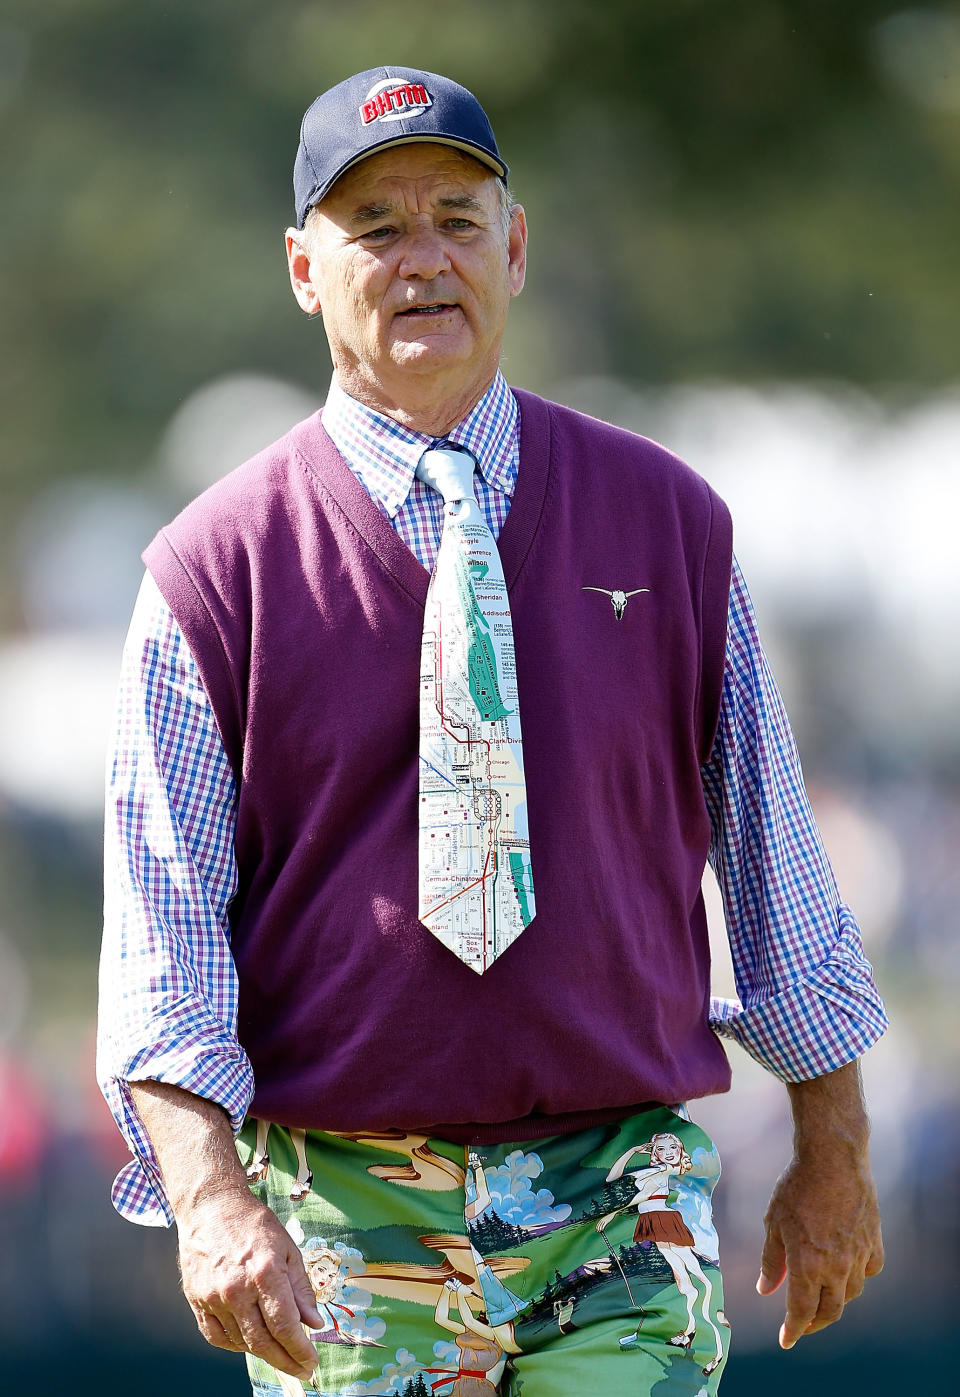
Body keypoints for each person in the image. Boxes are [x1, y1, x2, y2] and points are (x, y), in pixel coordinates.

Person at [97, 65, 887, 1397]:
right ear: (304, 269)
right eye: (377, 228)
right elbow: (161, 928)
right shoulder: (212, 569)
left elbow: (774, 860)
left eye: (458, 220)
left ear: (514, 249)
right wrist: (213, 1199)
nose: (425, 261)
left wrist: (836, 1145)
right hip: (344, 1205)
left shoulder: (670, 522)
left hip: (620, 1190)